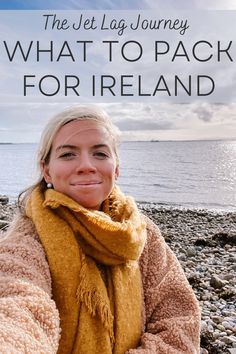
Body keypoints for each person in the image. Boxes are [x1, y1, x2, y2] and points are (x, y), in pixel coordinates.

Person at [0, 105, 201, 354]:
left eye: (100, 153)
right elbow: (18, 308)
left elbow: (180, 318)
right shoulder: (26, 241)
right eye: (67, 155)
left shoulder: (142, 234)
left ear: (116, 168)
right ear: (47, 170)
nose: (86, 165)